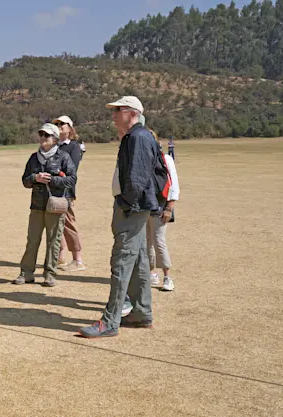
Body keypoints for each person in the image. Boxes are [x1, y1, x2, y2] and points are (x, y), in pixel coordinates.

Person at [79, 96, 159, 338]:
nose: (113, 116)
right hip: (134, 207)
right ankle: (141, 313)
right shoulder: (135, 137)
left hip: (131, 208)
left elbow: (137, 177)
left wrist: (125, 203)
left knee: (122, 261)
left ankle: (110, 321)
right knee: (138, 261)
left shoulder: (138, 137)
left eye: (117, 111)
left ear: (131, 112)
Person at [13, 123, 77, 287]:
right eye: (41, 134)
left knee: (54, 240)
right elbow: (25, 181)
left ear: (55, 139)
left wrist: (52, 179)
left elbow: (71, 179)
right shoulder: (34, 157)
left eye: (46, 135)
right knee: (32, 240)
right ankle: (26, 273)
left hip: (55, 205)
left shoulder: (63, 157)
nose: (42, 138)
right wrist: (35, 178)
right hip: (36, 205)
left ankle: (50, 274)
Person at [52, 116, 85, 272]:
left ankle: (78, 260)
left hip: (66, 191)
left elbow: (71, 170)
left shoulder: (73, 147)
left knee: (69, 224)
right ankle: (60, 257)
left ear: (70, 128)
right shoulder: (54, 146)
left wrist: (55, 172)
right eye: (56, 124)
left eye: (61, 124)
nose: (58, 126)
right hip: (54, 191)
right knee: (57, 224)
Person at [149, 140, 179, 291]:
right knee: (146, 243)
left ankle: (167, 277)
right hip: (143, 207)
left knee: (159, 241)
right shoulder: (141, 157)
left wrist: (169, 208)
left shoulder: (166, 159)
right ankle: (151, 274)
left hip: (160, 207)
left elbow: (174, 184)